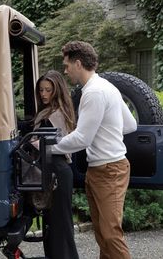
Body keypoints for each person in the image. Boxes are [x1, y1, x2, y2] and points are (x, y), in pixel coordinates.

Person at [52, 41, 137, 259]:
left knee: (110, 235)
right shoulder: (108, 87)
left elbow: (82, 138)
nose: (66, 70)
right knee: (102, 233)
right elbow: (130, 125)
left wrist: (49, 148)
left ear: (78, 63)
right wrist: (106, 129)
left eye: (67, 65)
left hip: (109, 170)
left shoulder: (94, 92)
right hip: (103, 169)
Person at [34, 70, 79, 259]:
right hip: (52, 170)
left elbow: (62, 145)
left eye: (48, 90)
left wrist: (35, 143)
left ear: (57, 90)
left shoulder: (58, 114)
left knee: (60, 224)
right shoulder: (50, 111)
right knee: (51, 224)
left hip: (58, 171)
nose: (44, 94)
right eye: (41, 90)